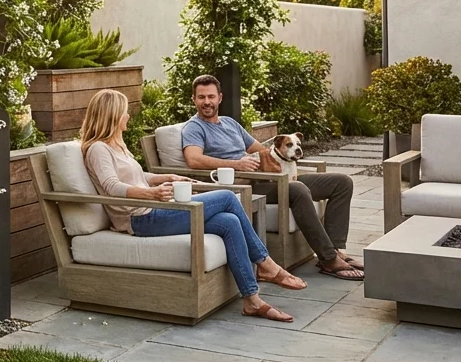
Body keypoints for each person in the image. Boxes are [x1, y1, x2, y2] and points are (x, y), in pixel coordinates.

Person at [80, 88, 305, 322]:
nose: (128, 116)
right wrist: (152, 194)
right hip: (140, 219)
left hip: (156, 211)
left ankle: (252, 300)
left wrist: (168, 177)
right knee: (226, 197)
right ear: (113, 115)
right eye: (125, 112)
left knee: (228, 222)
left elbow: (138, 176)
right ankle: (266, 264)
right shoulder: (98, 148)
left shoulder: (117, 145)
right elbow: (112, 187)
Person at [181, 74, 364, 281]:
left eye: (211, 96)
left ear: (220, 98)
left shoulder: (230, 123)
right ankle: (329, 259)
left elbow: (262, 151)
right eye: (201, 97)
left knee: (341, 182)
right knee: (296, 189)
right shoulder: (194, 128)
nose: (207, 102)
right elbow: (194, 160)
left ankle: (336, 248)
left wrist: (287, 153)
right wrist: (237, 164)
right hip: (244, 185)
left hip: (269, 177)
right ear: (193, 99)